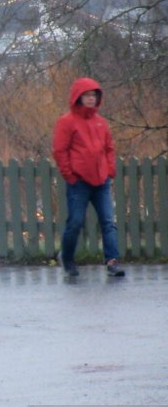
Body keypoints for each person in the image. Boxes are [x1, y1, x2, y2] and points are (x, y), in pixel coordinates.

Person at [52, 77, 125, 278]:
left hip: (101, 181)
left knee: (108, 222)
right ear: (78, 97)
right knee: (75, 222)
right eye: (87, 95)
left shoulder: (101, 123)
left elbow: (109, 148)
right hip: (79, 182)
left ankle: (112, 261)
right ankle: (67, 259)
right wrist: (70, 176)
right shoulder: (66, 122)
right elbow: (60, 151)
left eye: (94, 95)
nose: (91, 99)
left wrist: (110, 169)